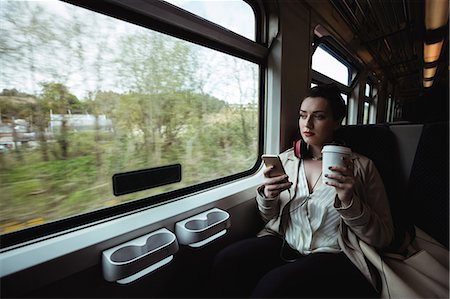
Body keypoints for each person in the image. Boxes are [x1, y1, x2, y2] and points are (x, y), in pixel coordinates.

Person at [210, 83, 394, 298]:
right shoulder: (286, 160)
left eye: (319, 116)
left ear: (336, 123)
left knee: (270, 289)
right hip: (285, 241)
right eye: (302, 115)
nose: (307, 123)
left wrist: (349, 201)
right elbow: (268, 217)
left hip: (334, 253)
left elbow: (384, 236)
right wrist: (269, 197)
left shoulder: (363, 167)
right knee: (227, 260)